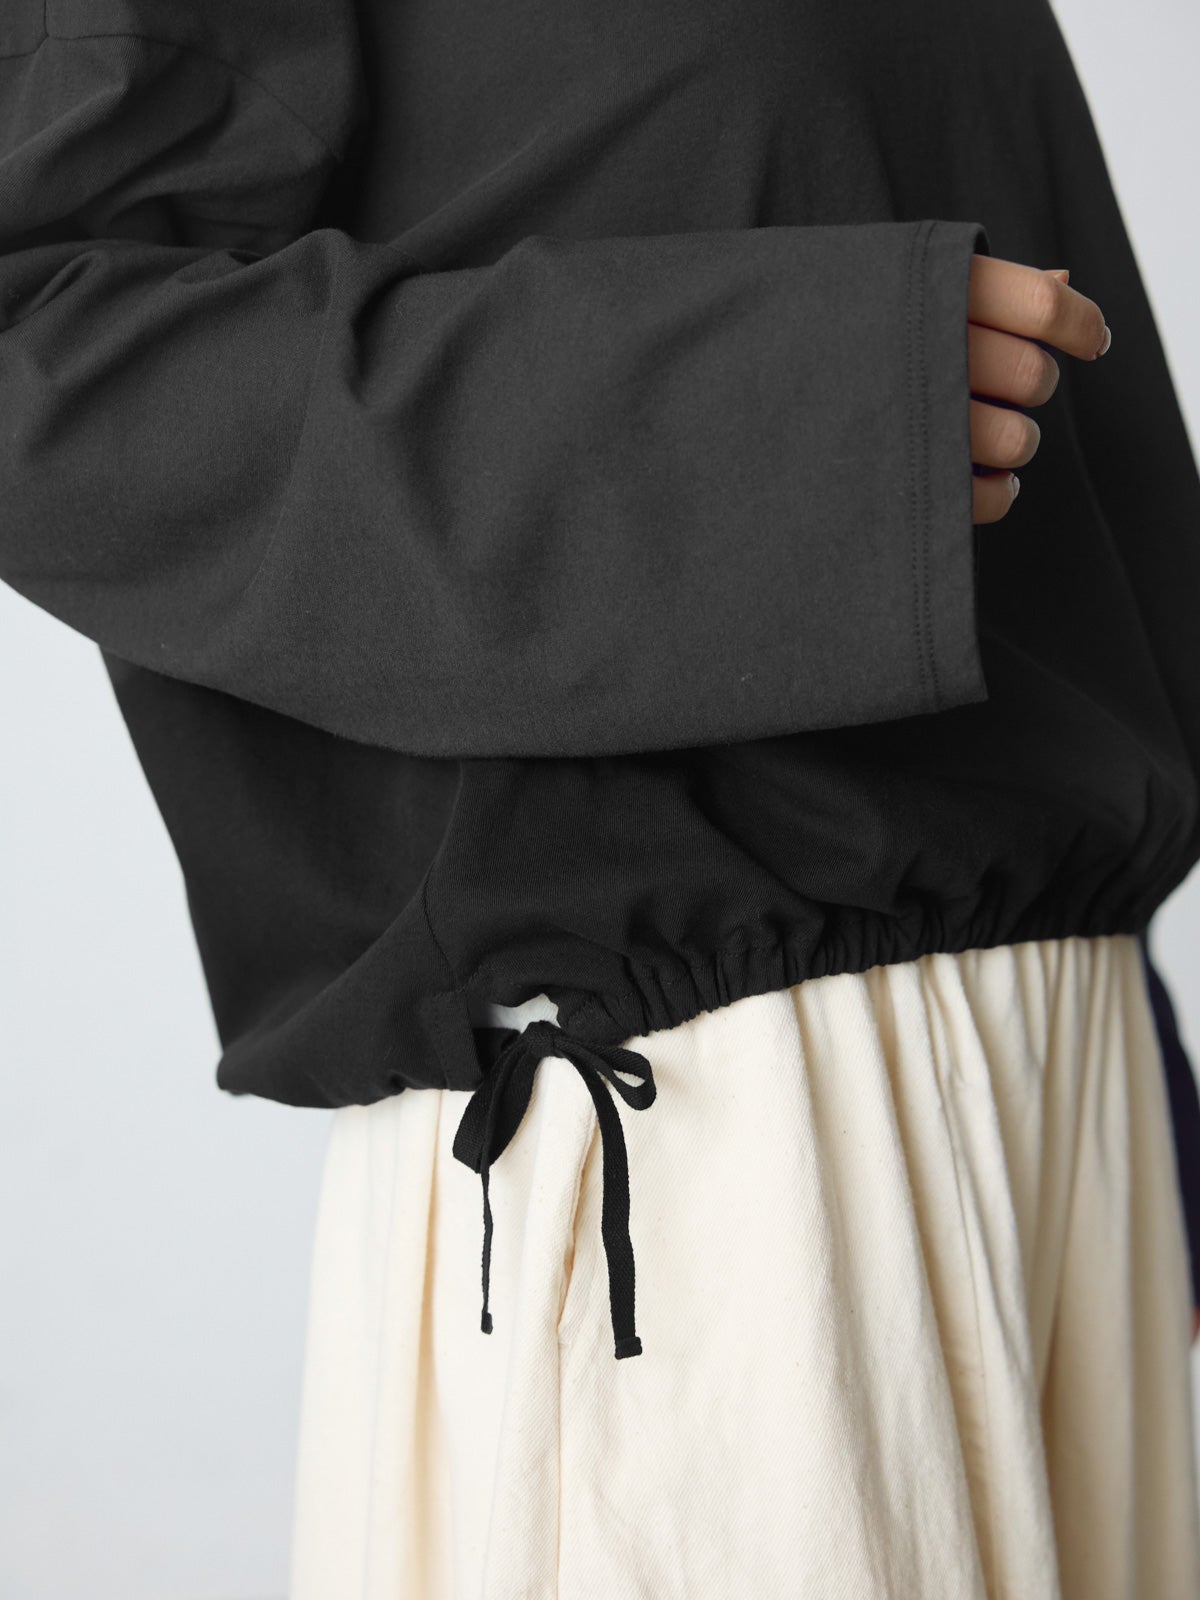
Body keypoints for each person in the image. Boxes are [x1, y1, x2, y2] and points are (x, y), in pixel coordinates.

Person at [2, 1, 1199, 1594]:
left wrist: (1122, 1041)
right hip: (716, 1150)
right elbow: (46, 345)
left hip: (1062, 1084)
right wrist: (796, 411)